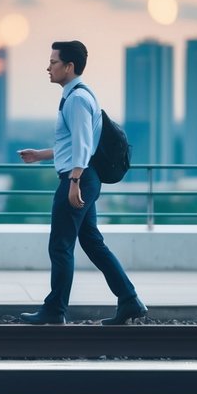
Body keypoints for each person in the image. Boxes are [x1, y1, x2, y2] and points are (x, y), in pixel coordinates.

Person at [17, 40, 148, 326]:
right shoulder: (79, 95)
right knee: (92, 242)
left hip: (79, 179)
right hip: (85, 177)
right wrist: (41, 155)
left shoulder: (76, 98)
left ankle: (54, 311)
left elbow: (84, 144)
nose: (48, 67)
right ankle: (129, 301)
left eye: (53, 62)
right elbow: (76, 143)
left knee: (60, 245)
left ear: (69, 66)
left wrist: (74, 180)